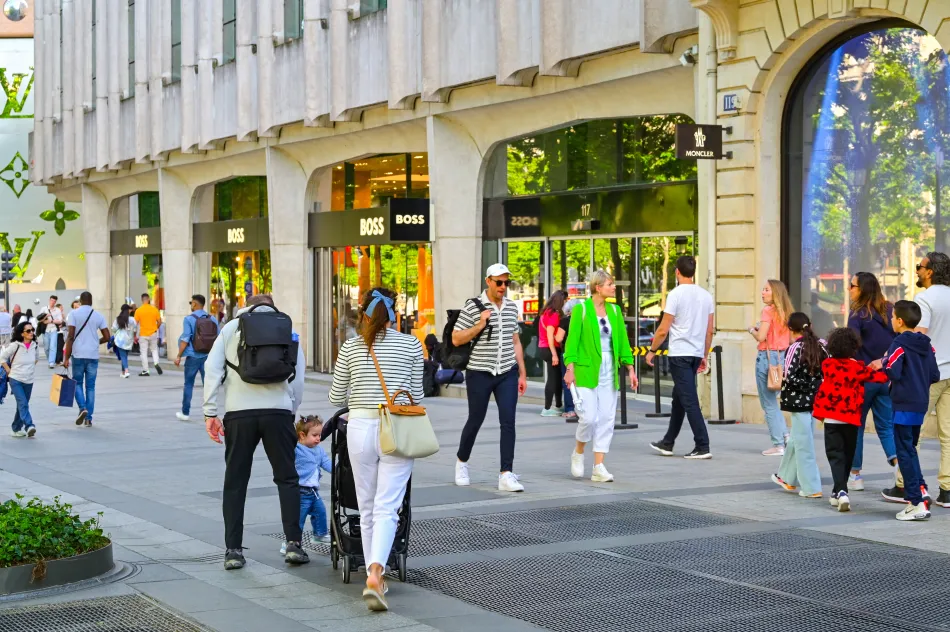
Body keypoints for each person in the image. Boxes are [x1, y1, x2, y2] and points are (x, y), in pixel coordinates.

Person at [328, 288, 424, 612]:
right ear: (394, 314)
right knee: (387, 507)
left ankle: (374, 576)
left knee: (366, 506)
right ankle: (375, 574)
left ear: (363, 314)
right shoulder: (411, 344)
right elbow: (417, 395)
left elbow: (335, 397)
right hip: (395, 428)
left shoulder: (351, 347)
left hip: (359, 428)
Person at [203, 294, 308, 571]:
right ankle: (294, 544)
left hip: (239, 414)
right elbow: (298, 377)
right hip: (278, 412)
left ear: (247, 306)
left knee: (235, 482)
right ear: (273, 306)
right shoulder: (287, 329)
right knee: (287, 478)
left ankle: (233, 551)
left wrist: (210, 412)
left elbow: (212, 368)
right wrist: (291, 409)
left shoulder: (231, 328)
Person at [452, 264, 529, 492]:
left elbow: (515, 341)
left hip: (507, 372)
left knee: (508, 421)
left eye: (507, 282)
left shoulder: (511, 307)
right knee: (476, 419)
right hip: (479, 372)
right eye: (499, 282)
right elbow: (456, 338)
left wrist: (522, 372)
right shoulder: (473, 306)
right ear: (488, 281)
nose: (503, 287)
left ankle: (506, 474)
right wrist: (480, 324)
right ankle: (461, 462)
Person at [869, 301, 939, 521]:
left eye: (892, 317)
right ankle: (921, 489)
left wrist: (884, 361)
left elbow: (893, 371)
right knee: (910, 449)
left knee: (904, 452)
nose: (891, 320)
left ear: (899, 321)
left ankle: (915, 502)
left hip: (902, 405)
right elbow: (935, 375)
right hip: (920, 404)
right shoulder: (927, 344)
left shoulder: (898, 344)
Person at [564, 271, 637, 482]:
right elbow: (572, 342)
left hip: (609, 369)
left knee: (606, 418)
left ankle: (598, 467)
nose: (614, 287)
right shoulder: (581, 310)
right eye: (610, 284)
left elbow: (623, 342)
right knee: (588, 418)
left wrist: (630, 368)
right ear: (598, 287)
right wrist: (570, 369)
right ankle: (578, 451)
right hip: (586, 369)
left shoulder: (615, 310)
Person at [894, 252, 950, 508]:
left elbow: (918, 336)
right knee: (948, 435)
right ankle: (947, 490)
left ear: (930, 271)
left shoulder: (924, 299)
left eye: (920, 266)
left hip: (929, 375)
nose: (917, 270)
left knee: (911, 433)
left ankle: (905, 485)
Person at [812, 328, 888, 512]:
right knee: (847, 456)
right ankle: (839, 491)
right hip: (851, 419)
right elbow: (880, 377)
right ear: (854, 347)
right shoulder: (857, 367)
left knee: (835, 456)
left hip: (832, 419)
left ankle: (841, 491)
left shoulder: (827, 365)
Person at [648, 256, 715, 459]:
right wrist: (704, 355)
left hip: (679, 354)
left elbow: (663, 328)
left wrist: (652, 350)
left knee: (689, 400)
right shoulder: (706, 296)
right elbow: (709, 331)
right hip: (695, 353)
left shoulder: (675, 294)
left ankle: (702, 445)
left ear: (677, 272)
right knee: (679, 399)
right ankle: (668, 442)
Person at [846, 272, 896, 492]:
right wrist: (884, 360)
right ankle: (900, 470)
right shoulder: (890, 310)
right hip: (885, 377)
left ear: (862, 289)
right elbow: (898, 340)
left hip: (863, 379)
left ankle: (855, 475)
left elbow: (851, 345)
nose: (849, 289)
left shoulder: (857, 314)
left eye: (852, 285)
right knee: (886, 426)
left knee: (856, 425)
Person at [771, 313, 827, 499]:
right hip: (817, 400)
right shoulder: (822, 345)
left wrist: (807, 385)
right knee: (798, 438)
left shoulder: (794, 348)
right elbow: (827, 372)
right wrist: (816, 386)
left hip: (798, 401)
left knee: (804, 444)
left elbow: (789, 376)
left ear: (790, 329)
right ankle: (786, 477)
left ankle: (812, 488)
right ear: (810, 325)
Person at [748, 280, 794, 456]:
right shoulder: (787, 313)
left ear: (775, 292)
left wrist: (751, 330)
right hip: (782, 358)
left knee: (768, 403)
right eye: (763, 289)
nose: (763, 292)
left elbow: (761, 337)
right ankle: (785, 436)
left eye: (767, 289)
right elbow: (791, 339)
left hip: (767, 359)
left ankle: (778, 444)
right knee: (773, 401)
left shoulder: (767, 311)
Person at [279, 415, 333, 554]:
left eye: (319, 435)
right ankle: (291, 541)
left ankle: (319, 535)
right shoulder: (296, 448)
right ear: (302, 435)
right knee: (298, 519)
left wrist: (338, 470)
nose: (318, 438)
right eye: (314, 435)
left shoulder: (319, 450)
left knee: (320, 512)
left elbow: (326, 462)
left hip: (313, 492)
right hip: (300, 491)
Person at [62, 292, 110, 428]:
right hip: (93, 355)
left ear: (81, 301)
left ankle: (82, 408)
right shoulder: (98, 316)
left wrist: (66, 357)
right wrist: (96, 342)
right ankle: (88, 419)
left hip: (78, 354)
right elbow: (107, 337)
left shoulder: (73, 314)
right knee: (91, 387)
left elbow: (70, 336)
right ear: (91, 301)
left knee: (77, 383)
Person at [174, 295, 217, 422]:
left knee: (188, 384)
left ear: (194, 304)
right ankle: (209, 413)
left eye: (191, 303)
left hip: (193, 356)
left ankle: (185, 413)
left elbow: (185, 339)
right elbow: (218, 337)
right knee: (208, 385)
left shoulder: (189, 319)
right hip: (208, 356)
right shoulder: (212, 319)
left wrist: (179, 355)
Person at [2, 321, 38, 438]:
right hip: (16, 379)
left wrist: (29, 369)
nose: (31, 332)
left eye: (32, 330)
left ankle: (16, 428)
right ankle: (29, 425)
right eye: (28, 331)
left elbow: (36, 359)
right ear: (22, 333)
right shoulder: (15, 345)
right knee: (23, 403)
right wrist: (8, 370)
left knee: (22, 404)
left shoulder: (35, 345)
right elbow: (2, 358)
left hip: (29, 380)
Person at [539, 289, 568, 417]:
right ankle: (546, 408)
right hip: (550, 349)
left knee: (556, 378)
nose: (566, 303)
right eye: (565, 300)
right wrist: (554, 354)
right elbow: (550, 336)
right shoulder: (553, 315)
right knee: (552, 379)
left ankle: (558, 406)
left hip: (545, 348)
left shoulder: (546, 312)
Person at [560, 298, 581, 422]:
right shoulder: (584, 319)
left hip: (568, 353)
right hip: (582, 354)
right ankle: (582, 409)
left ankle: (570, 409)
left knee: (568, 381)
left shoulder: (565, 321)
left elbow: (559, 338)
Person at [134, 292, 163, 376]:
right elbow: (159, 321)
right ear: (148, 299)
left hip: (143, 334)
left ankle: (146, 370)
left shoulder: (138, 310)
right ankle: (156, 363)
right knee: (154, 349)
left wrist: (135, 335)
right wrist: (156, 328)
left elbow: (135, 323)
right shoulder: (154, 309)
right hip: (153, 333)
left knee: (143, 352)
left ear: (142, 300)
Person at [111, 304, 137, 378]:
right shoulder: (132, 319)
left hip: (120, 340)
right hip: (129, 340)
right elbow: (135, 329)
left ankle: (126, 371)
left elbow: (113, 328)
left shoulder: (118, 319)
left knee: (123, 356)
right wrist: (134, 336)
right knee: (125, 356)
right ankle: (123, 372)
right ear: (128, 310)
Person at [37, 295, 63, 369]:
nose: (52, 302)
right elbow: (39, 319)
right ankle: (50, 360)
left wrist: (50, 321)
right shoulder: (43, 309)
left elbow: (60, 321)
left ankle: (51, 362)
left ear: (56, 302)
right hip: (45, 330)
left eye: (54, 301)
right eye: (51, 300)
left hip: (54, 330)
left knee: (53, 346)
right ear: (49, 300)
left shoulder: (57, 310)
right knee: (46, 348)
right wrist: (46, 316)